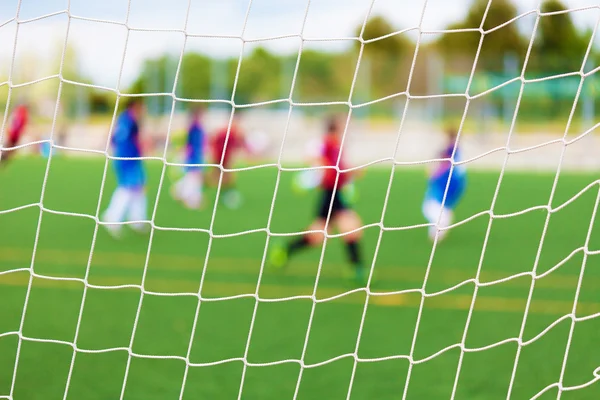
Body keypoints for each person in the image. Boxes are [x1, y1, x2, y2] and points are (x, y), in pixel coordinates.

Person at [269, 116, 367, 285]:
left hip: (335, 193)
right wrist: (318, 174)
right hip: (331, 193)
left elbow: (339, 167)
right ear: (335, 127)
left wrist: (350, 172)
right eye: (343, 125)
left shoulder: (337, 144)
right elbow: (319, 161)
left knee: (319, 235)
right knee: (351, 228)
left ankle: (285, 249)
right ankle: (356, 268)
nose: (346, 128)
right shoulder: (328, 143)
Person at [101, 99, 148, 238]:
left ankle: (137, 220)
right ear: (136, 106)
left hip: (122, 158)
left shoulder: (122, 118)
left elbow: (114, 139)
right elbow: (135, 140)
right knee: (129, 188)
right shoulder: (131, 121)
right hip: (129, 159)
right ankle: (112, 217)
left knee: (138, 188)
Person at [422, 128, 467, 241]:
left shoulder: (452, 150)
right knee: (439, 208)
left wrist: (434, 173)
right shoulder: (454, 150)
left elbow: (444, 160)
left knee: (436, 207)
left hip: (450, 181)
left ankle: (436, 231)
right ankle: (436, 231)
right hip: (453, 182)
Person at [209, 111, 248, 209]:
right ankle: (193, 188)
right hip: (220, 157)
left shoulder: (233, 132)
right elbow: (214, 142)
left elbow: (239, 144)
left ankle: (225, 197)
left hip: (223, 157)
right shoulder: (226, 131)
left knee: (226, 178)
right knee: (218, 178)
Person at [171, 106, 206, 209]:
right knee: (194, 177)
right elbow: (189, 143)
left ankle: (179, 191)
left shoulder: (197, 127)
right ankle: (191, 198)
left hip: (197, 155)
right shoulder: (194, 127)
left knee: (193, 177)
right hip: (193, 156)